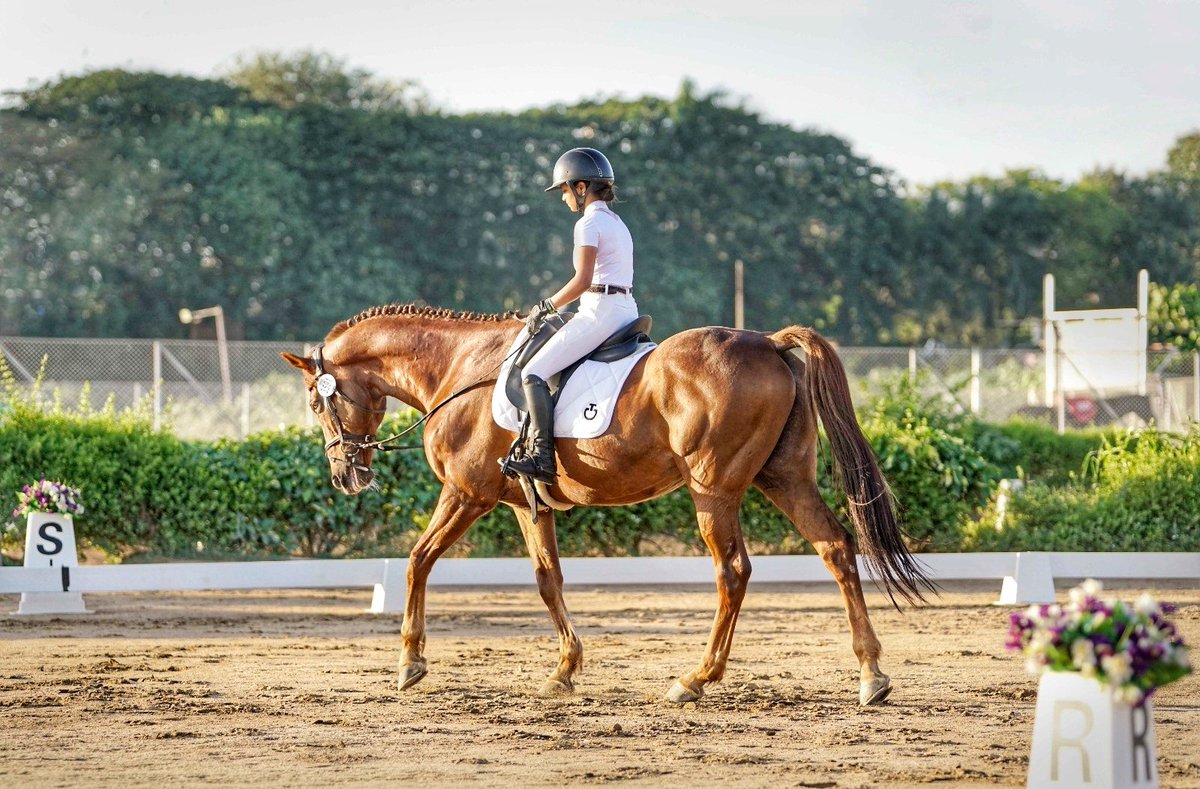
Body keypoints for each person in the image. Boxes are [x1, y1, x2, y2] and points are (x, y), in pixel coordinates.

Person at [502, 147, 639, 483]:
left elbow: (582, 280)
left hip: (600, 313)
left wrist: (546, 306)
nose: (563, 199)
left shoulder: (588, 223)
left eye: (564, 190)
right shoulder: (617, 222)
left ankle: (542, 459)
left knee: (532, 373)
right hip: (626, 309)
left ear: (581, 188)